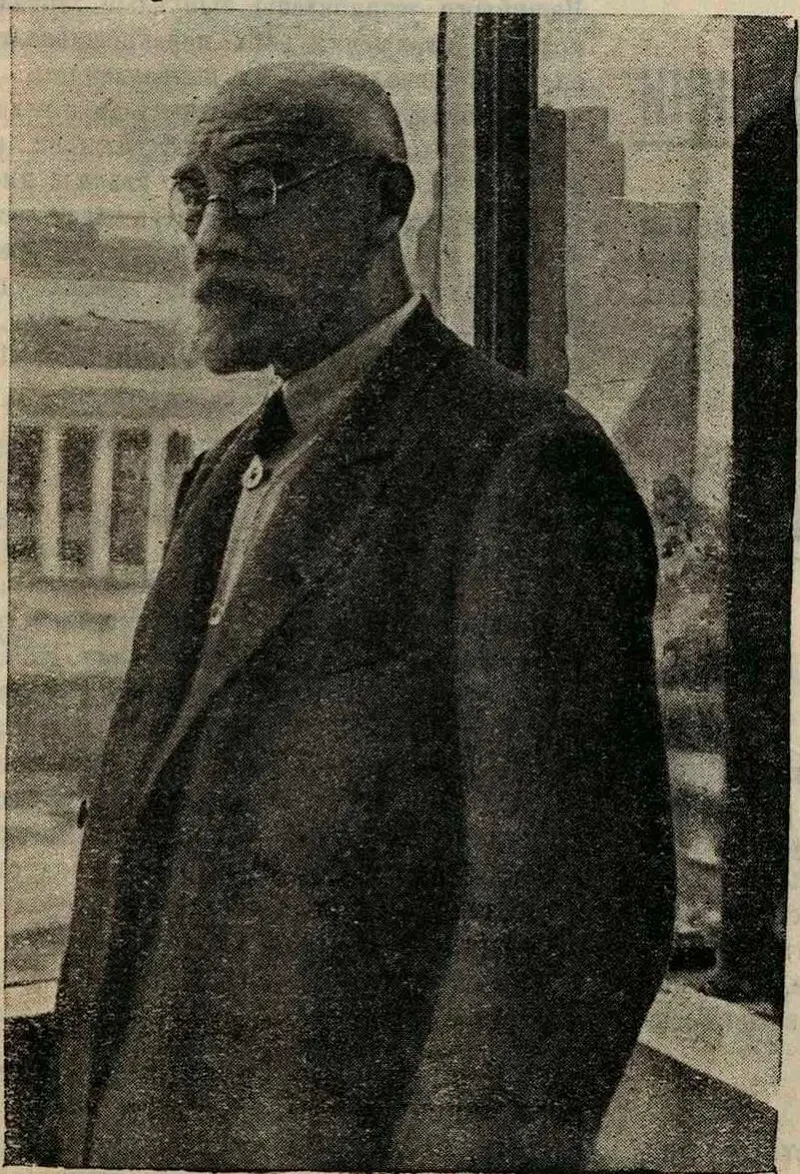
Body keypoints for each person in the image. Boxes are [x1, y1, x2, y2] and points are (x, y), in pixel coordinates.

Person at [55, 63, 675, 1170]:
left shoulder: (523, 464)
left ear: (387, 202)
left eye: (259, 187)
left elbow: (561, 927)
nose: (210, 236)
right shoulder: (219, 476)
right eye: (194, 194)